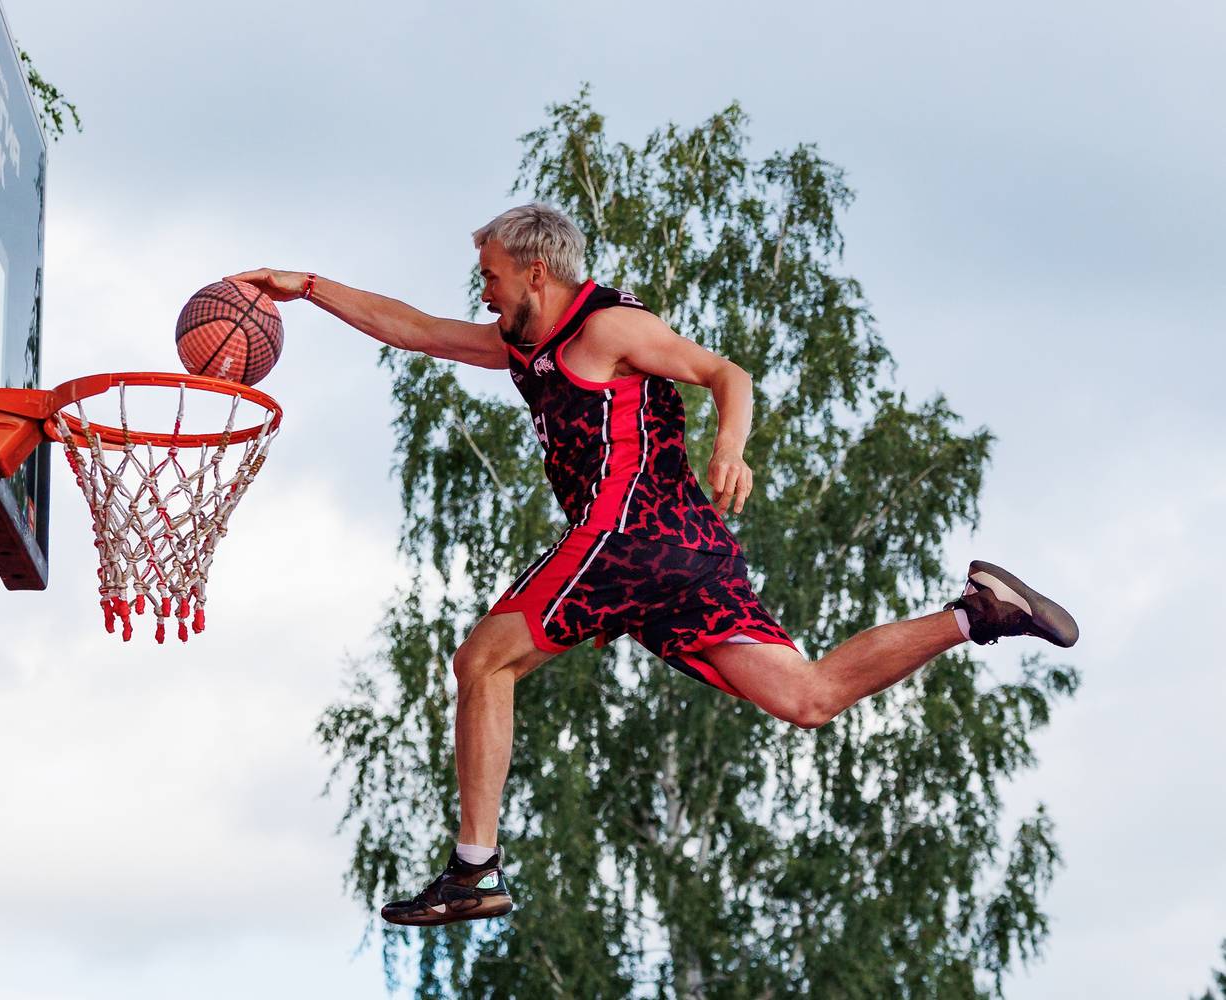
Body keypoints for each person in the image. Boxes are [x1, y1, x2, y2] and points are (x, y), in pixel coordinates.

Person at [226, 202, 1078, 928]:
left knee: (483, 661)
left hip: (626, 533)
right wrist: (308, 287)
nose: (480, 290)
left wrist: (731, 446)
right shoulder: (523, 341)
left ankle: (474, 871)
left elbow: (724, 372)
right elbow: (414, 330)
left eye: (489, 274)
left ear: (533, 271)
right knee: (808, 698)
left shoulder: (607, 327)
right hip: (683, 554)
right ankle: (978, 612)